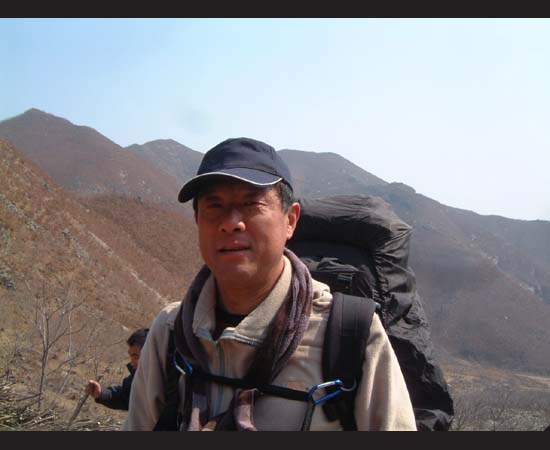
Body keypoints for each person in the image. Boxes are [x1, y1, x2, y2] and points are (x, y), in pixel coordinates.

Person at [123, 137, 416, 431]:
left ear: (291, 220)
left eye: (252, 203)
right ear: (198, 220)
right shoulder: (171, 332)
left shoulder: (349, 335)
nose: (231, 222)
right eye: (215, 205)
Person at [86, 328, 149, 411]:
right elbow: (125, 396)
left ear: (150, 354)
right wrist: (102, 393)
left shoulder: (164, 383)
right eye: (131, 356)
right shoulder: (136, 379)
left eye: (136, 357)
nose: (132, 362)